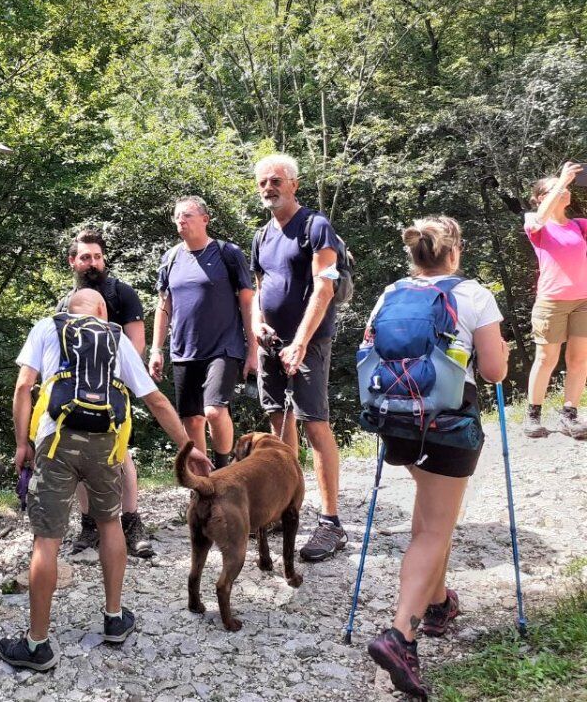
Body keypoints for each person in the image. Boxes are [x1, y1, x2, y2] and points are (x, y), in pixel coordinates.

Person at [1, 289, 211, 671]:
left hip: (55, 442)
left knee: (46, 539)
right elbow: (156, 400)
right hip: (106, 446)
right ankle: (114, 618)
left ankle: (37, 645)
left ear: (68, 309)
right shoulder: (115, 336)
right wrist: (188, 447)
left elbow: (22, 387)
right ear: (101, 310)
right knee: (110, 523)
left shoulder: (48, 326)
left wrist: (21, 443)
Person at [364, 217, 509, 698]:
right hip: (448, 425)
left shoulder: (391, 292)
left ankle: (439, 603)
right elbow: (493, 370)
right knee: (434, 530)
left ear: (416, 254)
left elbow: (369, 350)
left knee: (429, 515)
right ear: (455, 250)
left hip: (399, 424)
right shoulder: (473, 295)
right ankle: (399, 635)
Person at [250, 153, 347, 561]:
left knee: (314, 424)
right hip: (271, 343)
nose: (269, 188)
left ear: (294, 184)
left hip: (310, 340)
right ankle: (286, 506)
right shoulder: (261, 236)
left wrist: (301, 342)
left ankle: (330, 523)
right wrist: (256, 323)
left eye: (276, 180)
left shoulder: (314, 226)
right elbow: (259, 287)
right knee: (279, 423)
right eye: (263, 183)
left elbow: (324, 288)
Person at [58, 229, 153, 558]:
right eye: (85, 257)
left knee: (121, 454)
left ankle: (131, 521)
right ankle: (88, 524)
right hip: (75, 393)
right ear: (73, 261)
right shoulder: (64, 304)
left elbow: (136, 345)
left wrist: (125, 383)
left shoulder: (123, 294)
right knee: (79, 458)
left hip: (114, 390)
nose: (93, 263)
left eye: (97, 256)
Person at [150, 196, 257, 469]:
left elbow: (248, 302)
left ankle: (225, 470)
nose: (180, 221)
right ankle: (203, 483)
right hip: (184, 350)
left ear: (205, 219)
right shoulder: (170, 258)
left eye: (187, 215)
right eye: (177, 216)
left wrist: (253, 350)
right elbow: (164, 306)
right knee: (192, 419)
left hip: (224, 346)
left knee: (214, 410)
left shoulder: (227, 253)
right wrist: (156, 349)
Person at [522, 163, 587, 440]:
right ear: (540, 199)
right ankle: (533, 414)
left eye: (567, 187)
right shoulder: (536, 224)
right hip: (551, 302)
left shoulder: (580, 226)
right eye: (556, 189)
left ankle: (569, 414)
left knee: (579, 359)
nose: (565, 190)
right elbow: (538, 219)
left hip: (583, 301)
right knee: (547, 358)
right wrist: (561, 180)